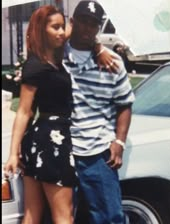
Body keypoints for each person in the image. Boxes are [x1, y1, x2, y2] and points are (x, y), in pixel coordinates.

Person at [3, 5, 119, 224]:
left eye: (61, 26)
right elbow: (24, 111)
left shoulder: (51, 59)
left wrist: (99, 48)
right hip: (53, 142)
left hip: (39, 141)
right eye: (54, 27)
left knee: (32, 214)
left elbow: (80, 34)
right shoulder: (36, 66)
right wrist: (12, 153)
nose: (60, 32)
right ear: (40, 30)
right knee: (63, 216)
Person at [63, 1, 135, 223]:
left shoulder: (112, 62)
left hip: (98, 151)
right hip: (61, 150)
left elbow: (124, 103)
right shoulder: (55, 56)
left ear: (98, 28)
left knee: (109, 216)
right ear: (72, 22)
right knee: (60, 217)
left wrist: (119, 142)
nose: (87, 28)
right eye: (83, 21)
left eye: (93, 24)